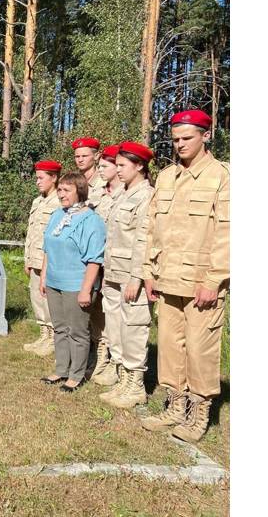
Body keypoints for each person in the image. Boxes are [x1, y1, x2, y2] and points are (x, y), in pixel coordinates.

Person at [140, 110, 229, 443]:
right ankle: (175, 406)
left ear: (206, 135)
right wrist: (149, 271)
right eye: (175, 139)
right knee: (169, 347)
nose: (180, 145)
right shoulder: (165, 178)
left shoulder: (222, 176)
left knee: (199, 348)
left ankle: (200, 410)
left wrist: (214, 279)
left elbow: (227, 232)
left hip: (201, 282)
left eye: (187, 138)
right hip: (168, 279)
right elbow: (152, 230)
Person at [98, 142, 156, 408]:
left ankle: (135, 385)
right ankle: (121, 378)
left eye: (122, 165)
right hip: (113, 271)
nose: (117, 170)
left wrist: (137, 277)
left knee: (133, 327)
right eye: (117, 165)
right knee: (115, 325)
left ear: (140, 166)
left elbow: (144, 240)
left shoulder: (147, 196)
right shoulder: (121, 194)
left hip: (131, 276)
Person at [39, 172, 107, 392]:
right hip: (54, 281)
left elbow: (94, 258)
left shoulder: (91, 220)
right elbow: (48, 248)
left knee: (76, 331)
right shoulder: (57, 215)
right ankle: (61, 369)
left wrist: (86, 290)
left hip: (76, 284)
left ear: (80, 190)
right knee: (59, 328)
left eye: (66, 190)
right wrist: (43, 277)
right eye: (59, 190)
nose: (61, 194)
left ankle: (76, 375)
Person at [72, 137, 108, 379]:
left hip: (98, 256)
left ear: (96, 155)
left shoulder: (105, 184)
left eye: (85, 155)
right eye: (77, 156)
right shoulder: (74, 182)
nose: (80, 159)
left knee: (98, 312)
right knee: (81, 311)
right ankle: (84, 356)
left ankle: (100, 358)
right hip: (76, 258)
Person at [88, 145, 124, 386]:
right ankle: (99, 353)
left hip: (115, 263)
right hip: (96, 261)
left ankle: (113, 362)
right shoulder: (99, 193)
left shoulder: (124, 194)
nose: (100, 169)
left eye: (105, 166)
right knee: (96, 312)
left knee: (114, 316)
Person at [23, 160, 62, 356]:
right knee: (36, 298)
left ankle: (53, 337)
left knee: (48, 299)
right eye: (36, 177)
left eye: (41, 178)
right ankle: (43, 334)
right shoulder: (38, 201)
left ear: (53, 178)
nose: (37, 182)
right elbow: (31, 233)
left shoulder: (59, 202)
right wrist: (27, 258)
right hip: (35, 258)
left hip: (49, 260)